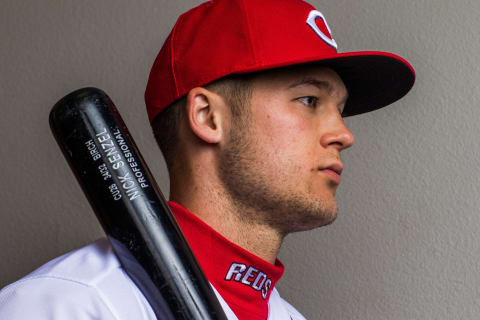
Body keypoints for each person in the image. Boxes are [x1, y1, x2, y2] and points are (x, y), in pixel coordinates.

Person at [0, 0, 415, 319]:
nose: (343, 134)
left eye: (340, 108)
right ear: (207, 117)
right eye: (309, 100)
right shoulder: (67, 305)